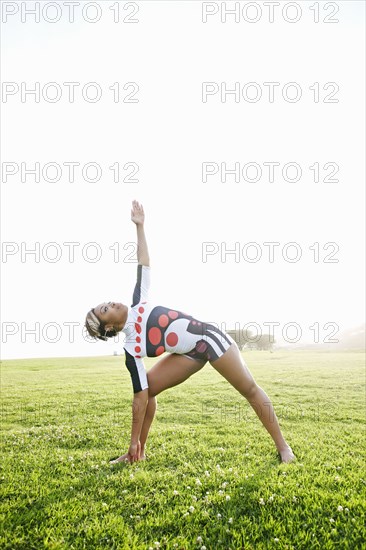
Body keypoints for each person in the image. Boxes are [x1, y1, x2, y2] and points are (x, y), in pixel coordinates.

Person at [84, 200, 296, 464]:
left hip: (209, 339)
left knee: (250, 389)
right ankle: (137, 454)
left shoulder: (139, 300)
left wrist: (139, 226)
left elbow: (144, 261)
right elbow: (139, 397)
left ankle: (284, 447)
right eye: (105, 309)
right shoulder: (131, 349)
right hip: (190, 355)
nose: (111, 303)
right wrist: (132, 441)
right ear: (109, 327)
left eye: (106, 303)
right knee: (147, 390)